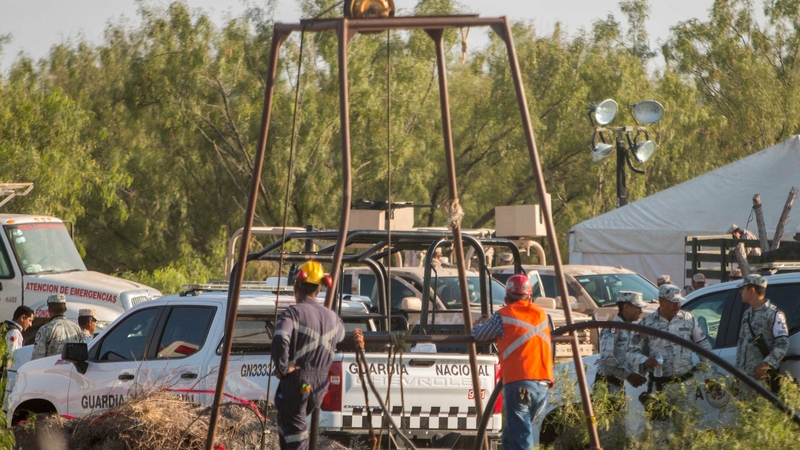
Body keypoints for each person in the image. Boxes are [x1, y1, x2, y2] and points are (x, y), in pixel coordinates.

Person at [472, 274, 552, 450]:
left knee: (520, 439)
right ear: (530, 297)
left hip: (520, 383)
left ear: (507, 298)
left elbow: (478, 334)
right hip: (543, 385)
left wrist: (480, 323)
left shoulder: (504, 315)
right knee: (510, 434)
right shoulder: (542, 315)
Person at [272, 261, 345, 450]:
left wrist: (282, 368)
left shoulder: (293, 313)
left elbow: (281, 337)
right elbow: (342, 335)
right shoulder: (333, 318)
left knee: (295, 438)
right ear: (318, 291)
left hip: (297, 381)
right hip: (319, 385)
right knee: (296, 431)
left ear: (296, 286)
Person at [628, 284, 713, 397]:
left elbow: (704, 347)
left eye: (679, 301)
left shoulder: (688, 319)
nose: (677, 305)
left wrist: (710, 375)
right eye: (673, 302)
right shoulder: (647, 324)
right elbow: (630, 351)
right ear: (661, 302)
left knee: (687, 415)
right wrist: (645, 360)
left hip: (685, 387)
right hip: (660, 387)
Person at [735, 274, 788, 396]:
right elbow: (741, 345)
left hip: (762, 382)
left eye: (743, 289)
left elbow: (783, 344)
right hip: (745, 381)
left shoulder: (774, 314)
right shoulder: (747, 315)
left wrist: (766, 365)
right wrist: (737, 376)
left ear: (752, 290)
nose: (741, 292)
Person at [595, 291, 648, 392]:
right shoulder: (613, 327)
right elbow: (607, 357)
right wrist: (629, 375)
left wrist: (634, 375)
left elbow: (623, 357)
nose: (640, 311)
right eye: (637, 307)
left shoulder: (627, 328)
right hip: (605, 386)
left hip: (617, 385)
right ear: (626, 308)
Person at [31, 294, 85, 360]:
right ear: (65, 309)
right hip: (71, 369)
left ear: (49, 310)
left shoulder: (45, 329)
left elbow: (37, 358)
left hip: (51, 368)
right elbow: (82, 354)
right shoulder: (77, 329)